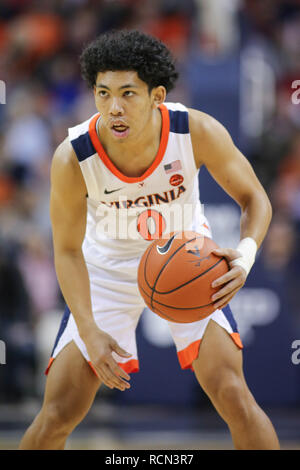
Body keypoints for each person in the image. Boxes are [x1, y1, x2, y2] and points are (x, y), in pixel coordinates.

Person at [19, 30, 280, 450]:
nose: (114, 108)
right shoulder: (73, 157)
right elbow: (66, 250)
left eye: (128, 93)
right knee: (57, 414)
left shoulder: (195, 130)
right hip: (105, 272)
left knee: (233, 393)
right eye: (103, 93)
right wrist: (87, 328)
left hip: (187, 261)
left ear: (157, 95)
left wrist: (245, 257)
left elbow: (256, 199)